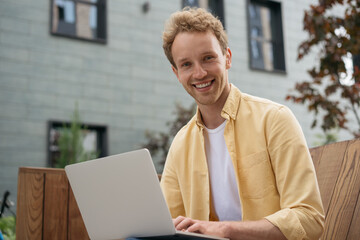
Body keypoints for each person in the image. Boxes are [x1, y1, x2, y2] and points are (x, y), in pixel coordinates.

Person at [159, 7, 325, 240]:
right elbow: (165, 226)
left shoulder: (275, 120)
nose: (199, 73)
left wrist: (227, 230)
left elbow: (309, 218)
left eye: (208, 58)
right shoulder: (180, 145)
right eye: (186, 64)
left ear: (227, 58)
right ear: (176, 73)